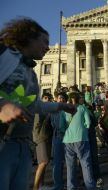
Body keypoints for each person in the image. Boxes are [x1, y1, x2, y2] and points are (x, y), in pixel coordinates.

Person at [0, 17, 76, 190]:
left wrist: (61, 106)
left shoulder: (31, 74)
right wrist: (2, 105)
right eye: (44, 41)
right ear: (29, 37)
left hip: (22, 145)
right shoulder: (3, 54)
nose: (48, 47)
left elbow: (34, 106)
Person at [60, 92, 96, 190]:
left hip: (67, 140)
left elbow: (61, 127)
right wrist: (84, 129)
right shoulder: (82, 108)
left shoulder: (64, 111)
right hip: (82, 138)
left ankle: (71, 187)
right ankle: (90, 187)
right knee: (85, 164)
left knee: (70, 166)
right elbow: (88, 123)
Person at [32, 93, 54, 190]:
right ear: (42, 99)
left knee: (44, 163)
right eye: (46, 98)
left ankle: (41, 185)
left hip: (47, 138)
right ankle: (35, 187)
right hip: (41, 138)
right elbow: (36, 126)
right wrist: (37, 138)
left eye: (49, 98)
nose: (48, 100)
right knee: (43, 162)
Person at [50, 92, 69, 190]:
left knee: (69, 162)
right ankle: (58, 185)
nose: (61, 99)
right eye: (59, 98)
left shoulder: (68, 110)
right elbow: (52, 124)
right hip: (58, 137)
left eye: (63, 98)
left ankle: (71, 184)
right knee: (57, 163)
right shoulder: (53, 111)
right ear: (57, 99)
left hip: (68, 137)